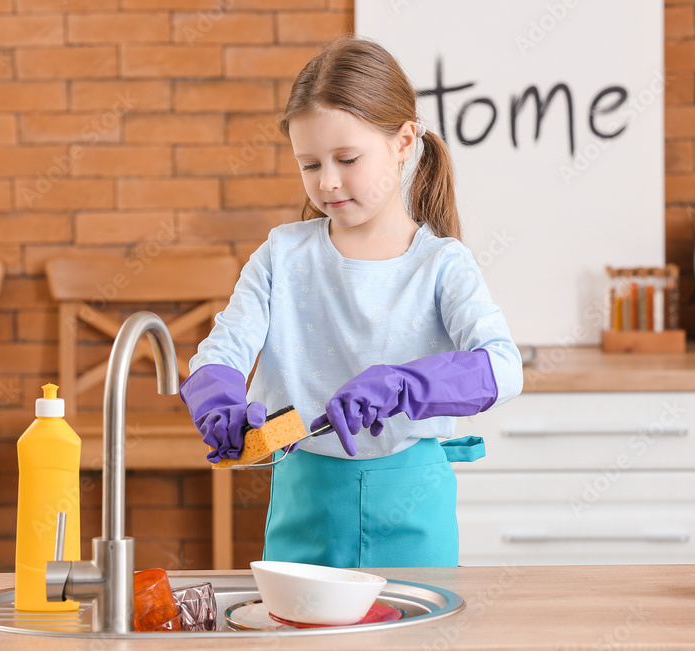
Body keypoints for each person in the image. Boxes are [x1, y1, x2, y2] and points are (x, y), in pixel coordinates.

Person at [179, 36, 523, 568]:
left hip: (413, 509)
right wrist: (216, 400)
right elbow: (221, 350)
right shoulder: (280, 256)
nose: (328, 182)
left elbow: (503, 367)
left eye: (347, 158)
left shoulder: (442, 264)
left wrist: (406, 384)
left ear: (404, 141)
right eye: (310, 164)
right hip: (306, 507)